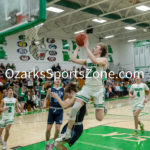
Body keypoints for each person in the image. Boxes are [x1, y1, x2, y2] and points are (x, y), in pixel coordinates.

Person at [56, 38, 108, 142]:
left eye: (96, 47)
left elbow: (94, 60)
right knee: (74, 108)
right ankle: (67, 134)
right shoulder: (88, 61)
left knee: (99, 118)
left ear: (100, 51)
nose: (94, 48)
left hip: (98, 90)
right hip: (87, 88)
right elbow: (73, 59)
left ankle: (104, 109)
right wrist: (78, 47)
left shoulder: (104, 60)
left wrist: (86, 47)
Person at [50, 82, 87, 150]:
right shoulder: (76, 97)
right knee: (57, 144)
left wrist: (57, 97)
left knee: (57, 144)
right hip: (70, 125)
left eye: (67, 95)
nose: (67, 97)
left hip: (76, 127)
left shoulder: (77, 96)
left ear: (72, 92)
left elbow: (64, 106)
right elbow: (86, 112)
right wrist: (73, 112)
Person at [45, 78, 64, 150]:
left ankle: (53, 143)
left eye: (59, 79)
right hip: (51, 110)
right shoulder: (50, 89)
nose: (58, 80)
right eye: (56, 79)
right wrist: (44, 104)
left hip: (60, 110)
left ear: (61, 81)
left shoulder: (63, 89)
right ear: (54, 81)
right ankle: (47, 143)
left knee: (58, 129)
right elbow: (46, 98)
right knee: (48, 129)